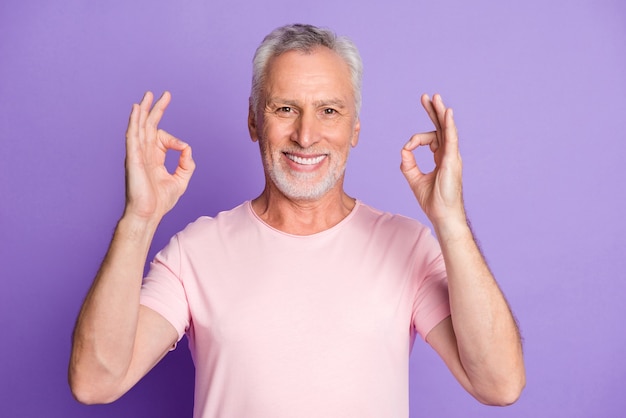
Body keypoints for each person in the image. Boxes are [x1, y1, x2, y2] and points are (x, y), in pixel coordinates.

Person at [69, 23, 525, 417]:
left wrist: (451, 221)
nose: (306, 136)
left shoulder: (407, 246)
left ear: (354, 130)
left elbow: (499, 383)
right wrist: (139, 219)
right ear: (253, 121)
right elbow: (95, 382)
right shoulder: (196, 252)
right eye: (284, 109)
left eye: (329, 111)